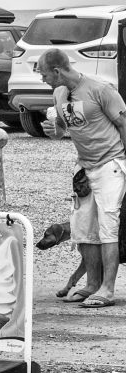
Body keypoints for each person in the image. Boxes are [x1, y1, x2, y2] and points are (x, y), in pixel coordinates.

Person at [38, 48, 126, 308]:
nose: (42, 79)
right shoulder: (59, 93)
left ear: (57, 70)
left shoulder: (101, 89)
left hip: (110, 164)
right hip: (84, 168)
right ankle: (92, 285)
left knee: (108, 225)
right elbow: (62, 130)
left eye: (44, 74)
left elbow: (123, 124)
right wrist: (51, 130)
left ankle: (108, 290)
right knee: (83, 228)